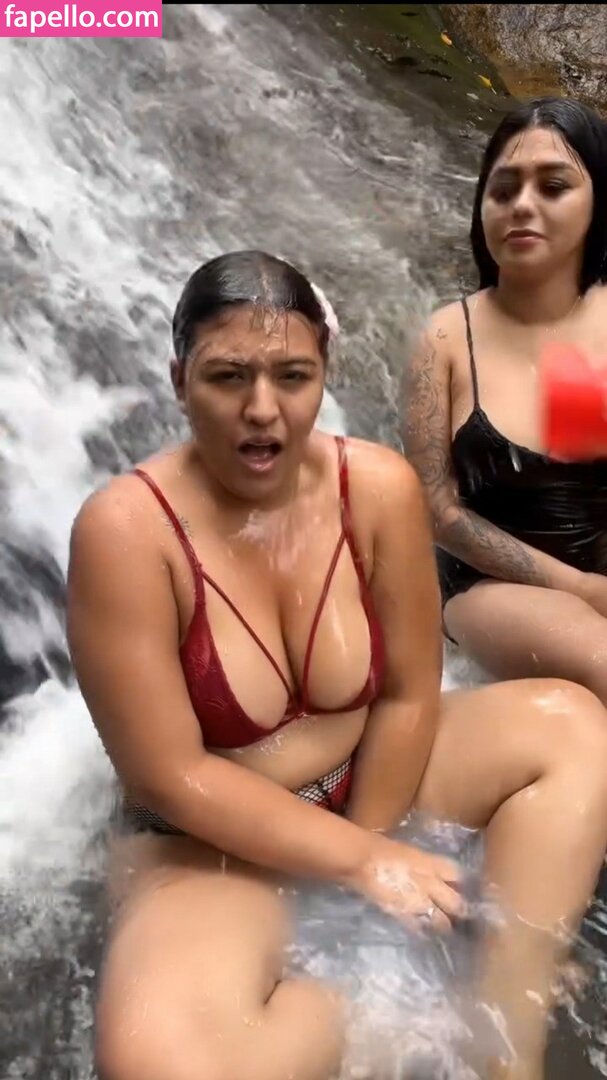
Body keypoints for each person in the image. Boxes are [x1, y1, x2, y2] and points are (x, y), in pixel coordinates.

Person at [67, 250, 607, 1080]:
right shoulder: (124, 532)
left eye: (292, 376)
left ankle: (501, 1025)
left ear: (323, 370)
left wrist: (374, 846)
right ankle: (391, 1016)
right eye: (227, 377)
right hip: (206, 846)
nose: (262, 411)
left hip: (370, 782)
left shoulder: (377, 487)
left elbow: (407, 693)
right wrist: (362, 866)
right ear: (178, 381)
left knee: (571, 727)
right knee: (159, 1062)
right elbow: (170, 776)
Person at [402, 97, 607, 703]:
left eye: (553, 186)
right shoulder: (444, 340)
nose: (522, 204)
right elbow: (436, 511)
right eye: (503, 189)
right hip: (485, 588)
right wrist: (581, 589)